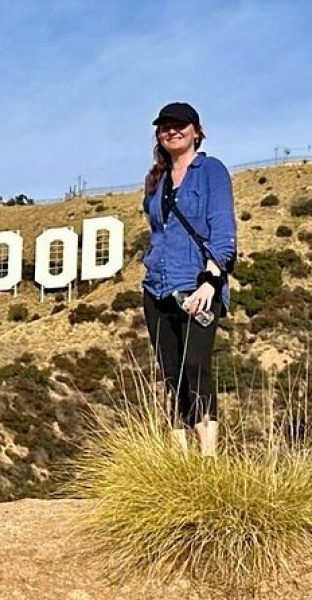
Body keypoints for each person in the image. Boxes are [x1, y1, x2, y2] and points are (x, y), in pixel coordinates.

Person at [141, 102, 236, 457]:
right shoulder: (157, 182)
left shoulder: (210, 170)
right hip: (157, 287)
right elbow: (158, 233)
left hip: (197, 285)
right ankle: (179, 462)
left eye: (180, 125)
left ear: (196, 130)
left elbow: (222, 229)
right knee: (171, 375)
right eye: (165, 126)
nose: (172, 131)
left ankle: (209, 460)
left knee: (195, 366)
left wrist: (211, 281)